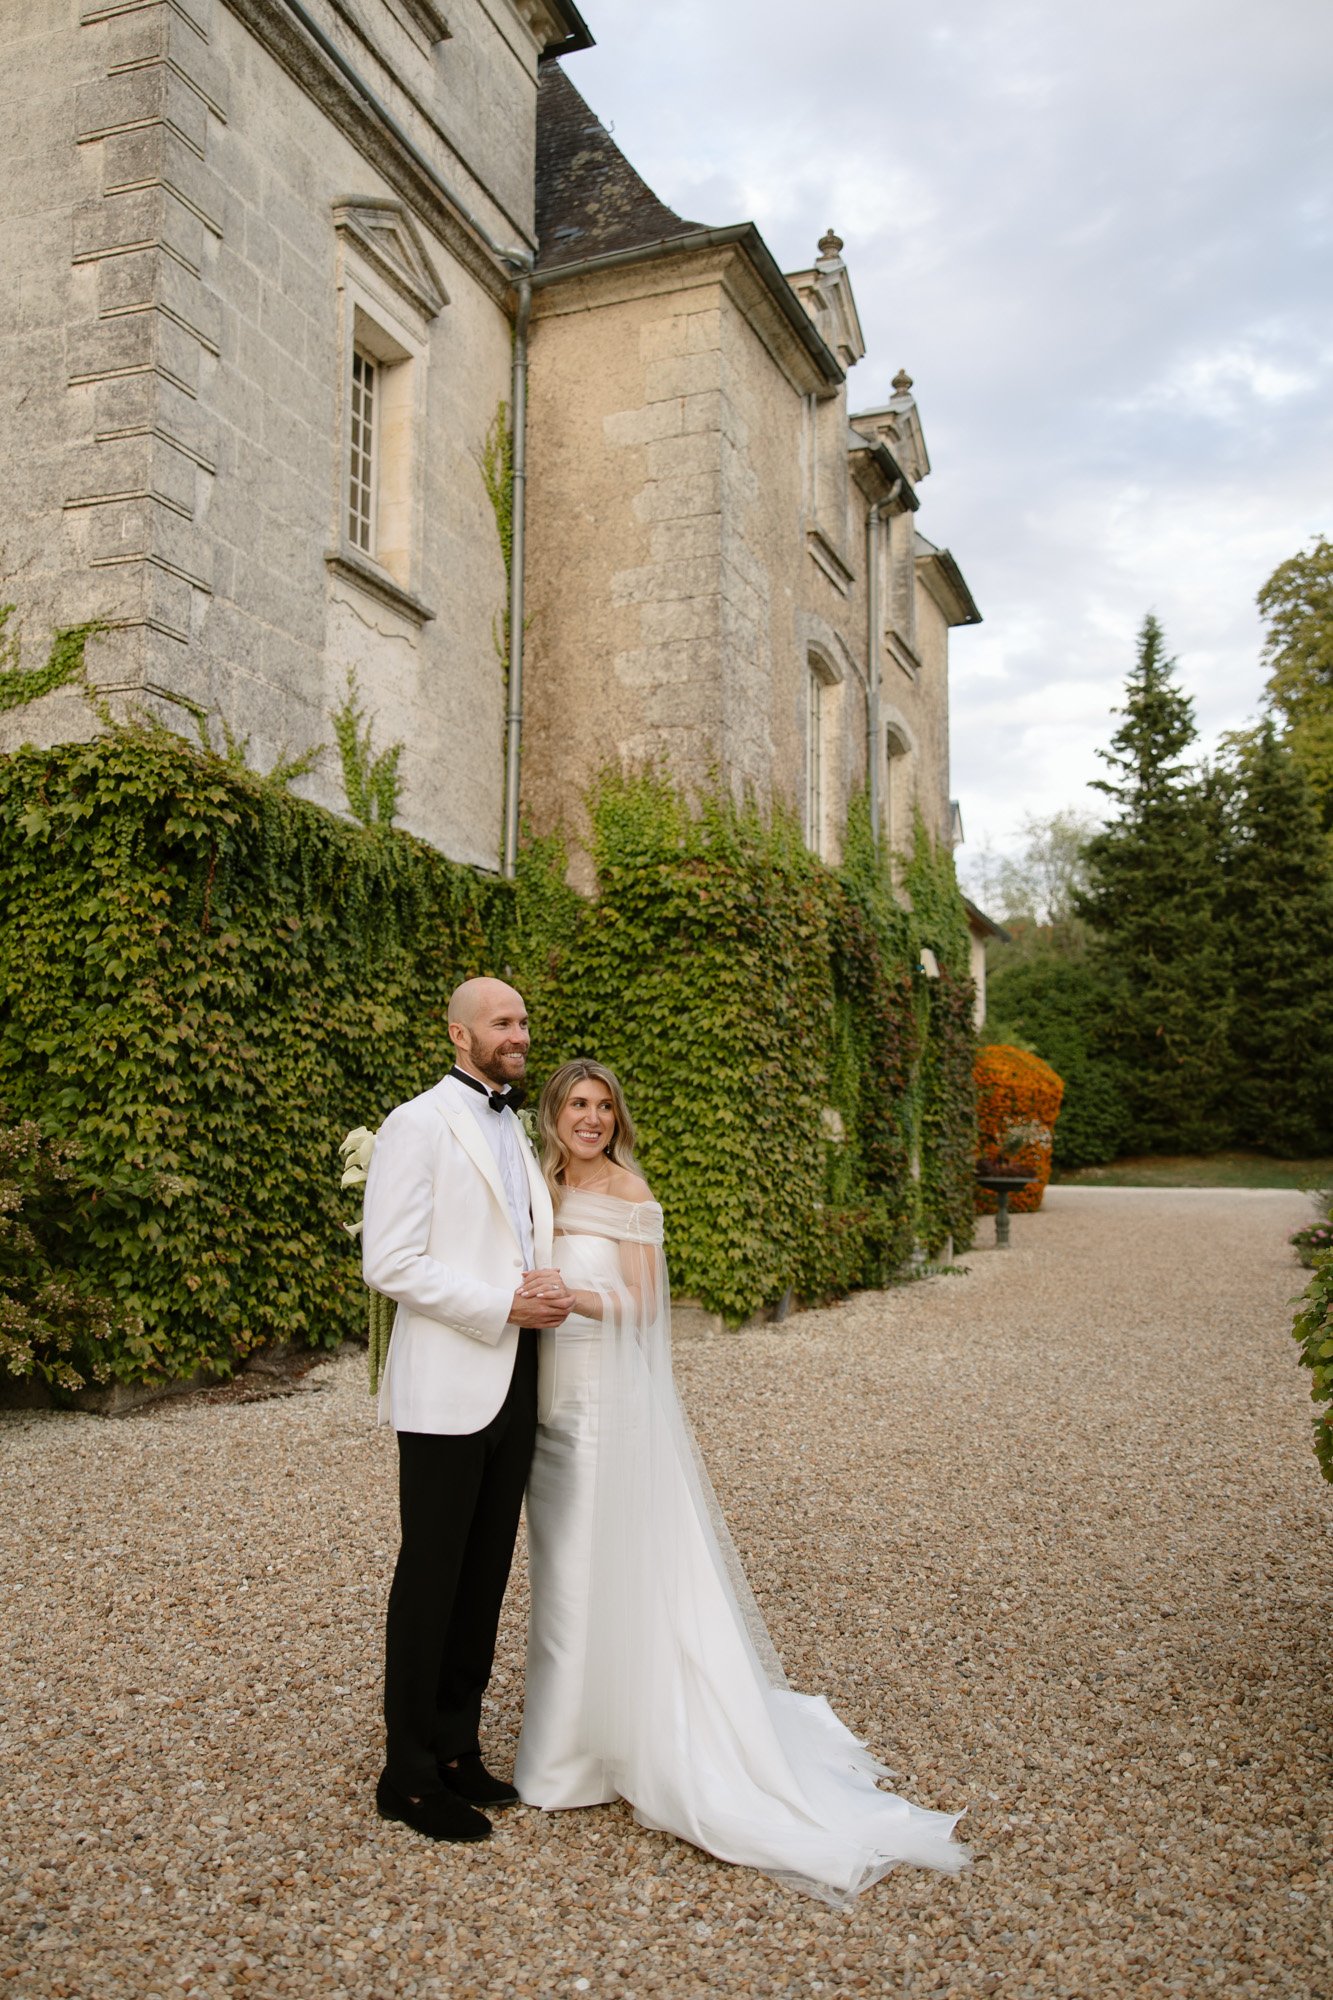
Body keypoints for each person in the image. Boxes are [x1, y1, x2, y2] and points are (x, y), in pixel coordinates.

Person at [512, 1058, 970, 1906]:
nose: (590, 1119)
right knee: (559, 1578)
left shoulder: (629, 1193)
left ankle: (594, 1755)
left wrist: (571, 1297)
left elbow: (644, 1309)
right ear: (551, 1114)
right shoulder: (536, 1183)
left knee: (594, 1573)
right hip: (546, 1408)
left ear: (617, 1118)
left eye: (603, 1107)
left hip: (606, 1405)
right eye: (577, 1104)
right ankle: (575, 1739)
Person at [361, 978, 576, 1844]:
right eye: (502, 1022)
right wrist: (500, 1306)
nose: (518, 1033)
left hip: (518, 1378)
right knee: (432, 1577)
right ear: (459, 1032)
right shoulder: (417, 1123)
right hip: (451, 1382)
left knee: (486, 1573)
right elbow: (391, 1260)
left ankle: (456, 1746)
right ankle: (405, 1773)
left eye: (523, 1021)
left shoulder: (515, 1125)